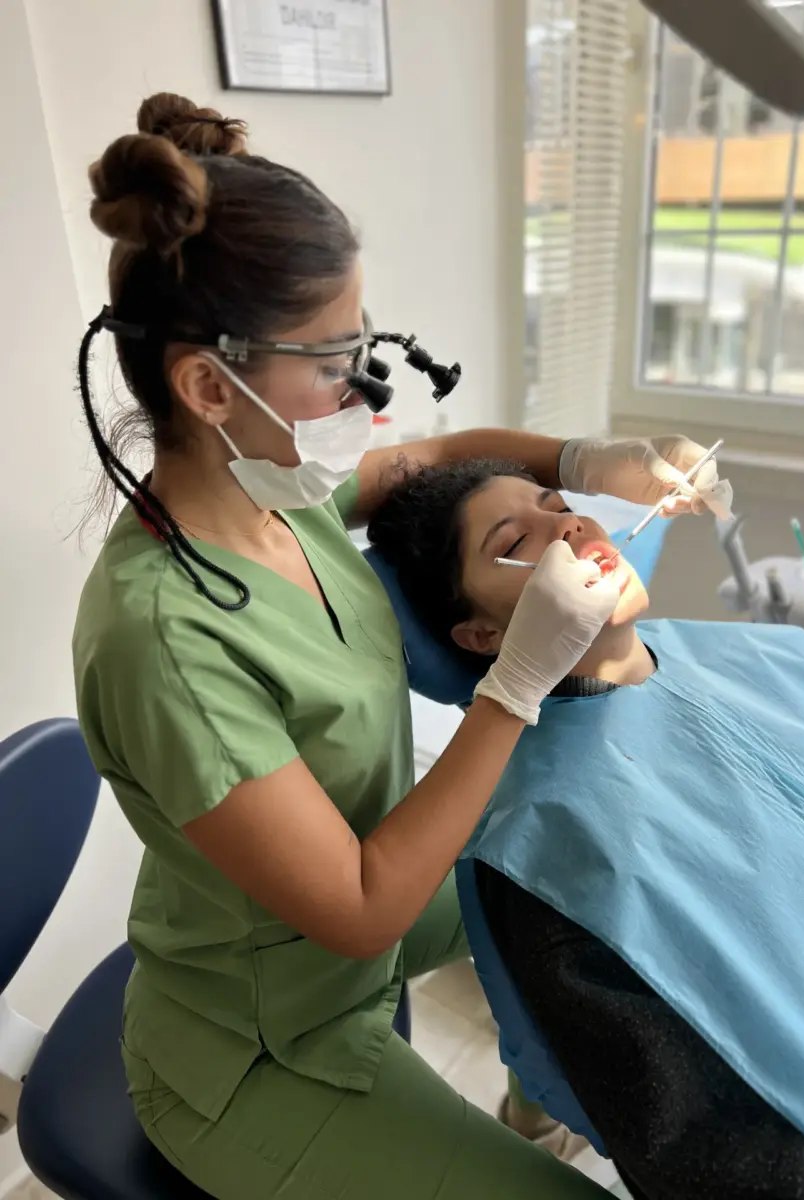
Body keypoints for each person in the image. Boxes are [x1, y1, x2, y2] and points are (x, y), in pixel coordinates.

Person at [71, 92, 721, 1200]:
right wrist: (515, 684)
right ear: (209, 386)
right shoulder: (164, 639)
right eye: (335, 363)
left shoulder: (284, 496)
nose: (363, 394)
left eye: (366, 345)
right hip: (259, 1049)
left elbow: (445, 458)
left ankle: (542, 1098)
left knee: (573, 878)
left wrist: (582, 460)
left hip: (345, 935)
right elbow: (364, 907)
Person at [366, 459, 804, 1200]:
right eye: (516, 540)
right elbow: (726, 1162)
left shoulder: (772, 654)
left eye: (559, 504)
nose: (569, 526)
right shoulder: (543, 850)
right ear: (484, 634)